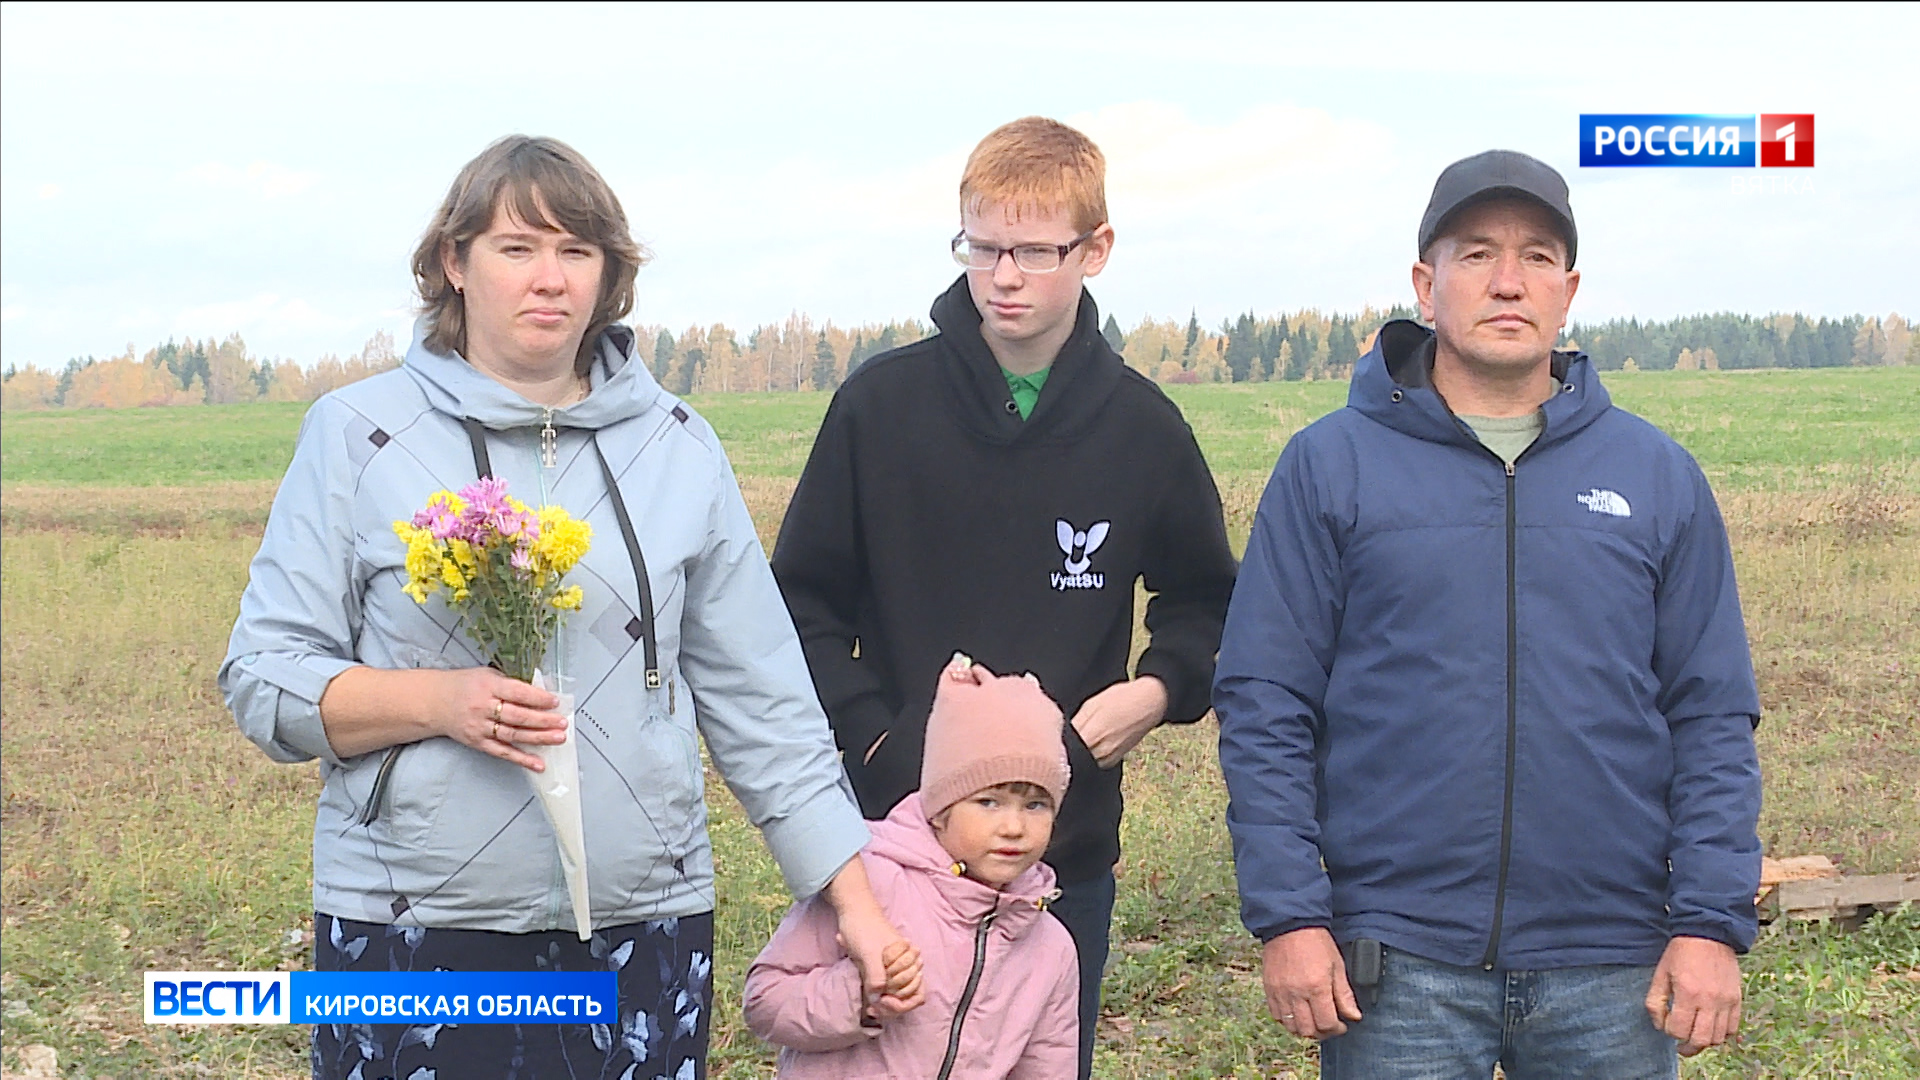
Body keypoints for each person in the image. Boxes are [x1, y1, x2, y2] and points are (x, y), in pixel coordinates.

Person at [219, 135, 913, 1080]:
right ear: (453, 264)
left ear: (609, 277)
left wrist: (857, 905)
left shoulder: (678, 446)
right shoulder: (356, 435)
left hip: (643, 925)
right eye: (516, 248)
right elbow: (264, 677)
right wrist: (437, 703)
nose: (549, 278)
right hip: (415, 922)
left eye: (576, 251)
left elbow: (766, 703)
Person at [1215, 149, 1762, 1078]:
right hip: (1397, 966)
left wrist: (1710, 923)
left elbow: (1711, 714)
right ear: (1426, 286)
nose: (1508, 281)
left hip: (1612, 963)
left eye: (1538, 256)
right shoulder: (1330, 466)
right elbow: (1265, 701)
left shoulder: (1655, 475)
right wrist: (1291, 916)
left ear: (1569, 288)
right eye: (1476, 255)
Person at [770, 115, 1239, 1077]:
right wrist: (881, 736)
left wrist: (1156, 693)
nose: (1004, 276)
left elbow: (1210, 603)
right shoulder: (878, 409)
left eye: (1034, 250)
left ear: (1096, 250)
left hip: (1057, 859)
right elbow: (800, 609)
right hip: (894, 850)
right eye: (982, 247)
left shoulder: (1145, 431)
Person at [744, 655, 1081, 1078]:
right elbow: (765, 1000)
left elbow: (1047, 1067)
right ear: (939, 809)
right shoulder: (866, 885)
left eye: (1035, 804)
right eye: (988, 802)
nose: (1013, 827)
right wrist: (858, 998)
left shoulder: (1051, 947)